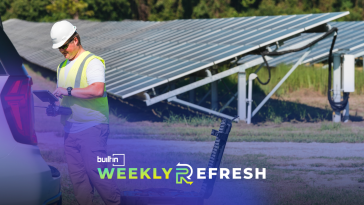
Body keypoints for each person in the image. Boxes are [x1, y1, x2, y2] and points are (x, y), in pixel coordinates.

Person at [51, 20, 121, 205]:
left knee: (98, 175)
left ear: (75, 40)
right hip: (70, 129)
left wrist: (67, 90)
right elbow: (67, 99)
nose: (62, 51)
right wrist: (55, 108)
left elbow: (97, 90)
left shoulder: (92, 62)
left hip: (92, 127)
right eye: (59, 48)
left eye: (64, 46)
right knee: (78, 180)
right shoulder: (61, 66)